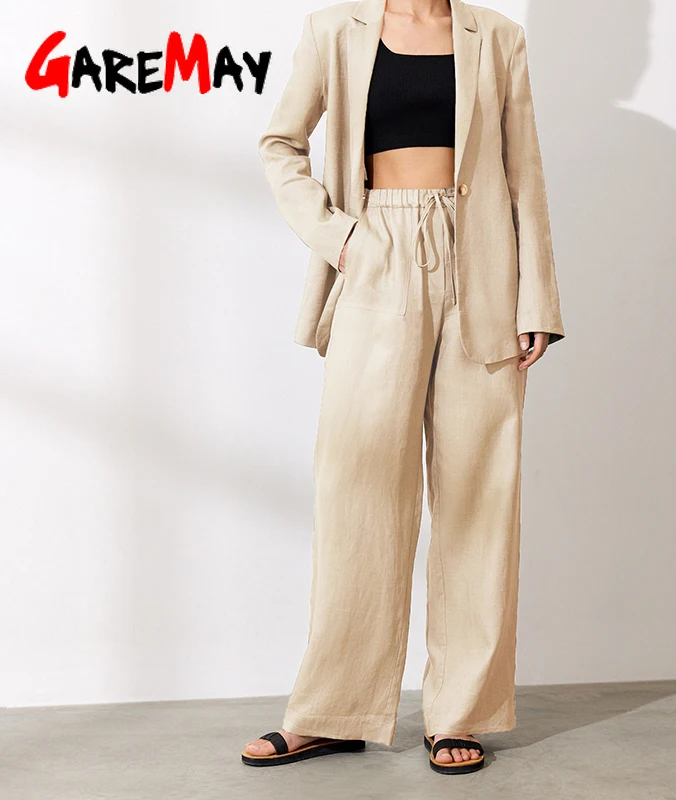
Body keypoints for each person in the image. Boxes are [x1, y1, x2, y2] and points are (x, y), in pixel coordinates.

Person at [242, 0, 564, 775]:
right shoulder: (333, 31)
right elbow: (280, 143)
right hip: (376, 254)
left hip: (483, 268)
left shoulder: (500, 38)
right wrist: (340, 236)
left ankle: (460, 713)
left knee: (479, 496)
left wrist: (538, 301)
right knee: (357, 488)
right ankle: (335, 709)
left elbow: (524, 173)